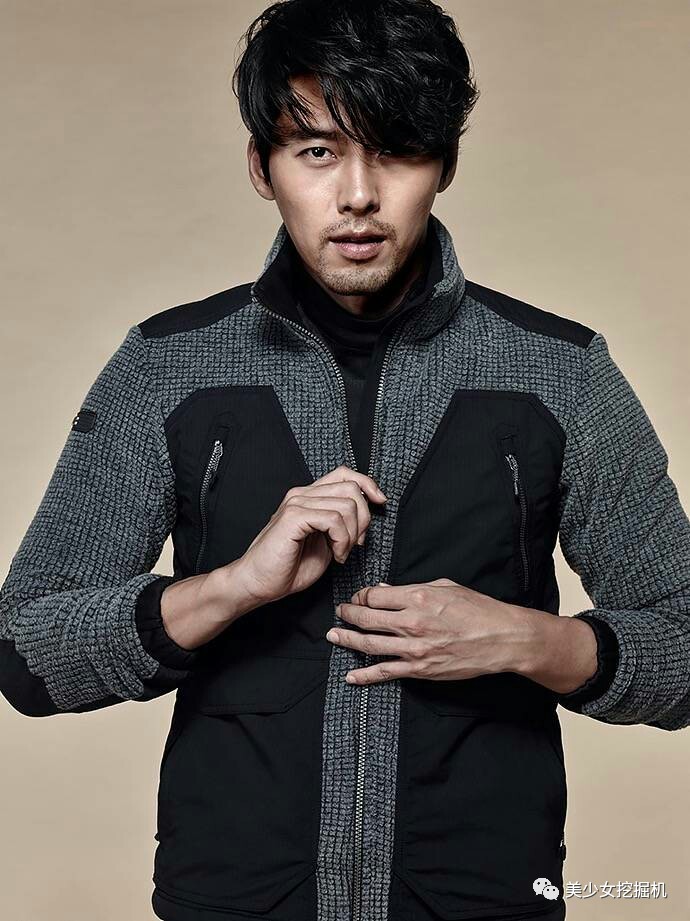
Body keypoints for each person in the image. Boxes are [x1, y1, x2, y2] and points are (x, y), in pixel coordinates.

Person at [1, 1, 688, 920]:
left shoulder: (562, 372)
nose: (358, 195)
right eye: (317, 150)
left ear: (445, 163)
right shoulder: (167, 366)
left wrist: (532, 640)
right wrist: (231, 588)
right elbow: (27, 651)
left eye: (396, 151)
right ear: (262, 166)